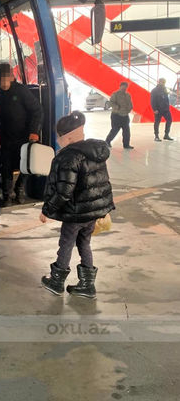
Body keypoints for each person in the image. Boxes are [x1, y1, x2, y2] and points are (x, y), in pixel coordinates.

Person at [40, 111, 114, 299]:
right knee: (84, 243)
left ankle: (56, 281)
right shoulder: (95, 152)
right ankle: (87, 286)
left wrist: (47, 210)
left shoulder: (69, 157)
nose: (58, 141)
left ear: (67, 137)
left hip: (75, 213)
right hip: (91, 213)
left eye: (58, 137)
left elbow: (64, 192)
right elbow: (102, 184)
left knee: (66, 244)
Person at [0, 62, 43, 207]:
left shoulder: (21, 91)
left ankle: (20, 188)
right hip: (6, 137)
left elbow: (37, 111)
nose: (4, 84)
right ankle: (7, 194)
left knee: (26, 164)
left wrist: (34, 132)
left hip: (24, 136)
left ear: (11, 77)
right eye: (1, 81)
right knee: (6, 166)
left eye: (6, 80)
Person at [105, 81, 134, 149]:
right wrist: (117, 107)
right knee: (115, 130)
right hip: (116, 115)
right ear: (120, 87)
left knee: (126, 131)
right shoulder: (115, 94)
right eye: (123, 87)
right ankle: (107, 141)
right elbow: (110, 103)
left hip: (125, 116)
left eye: (125, 88)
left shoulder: (128, 95)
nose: (124, 89)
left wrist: (129, 109)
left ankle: (126, 145)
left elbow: (130, 104)